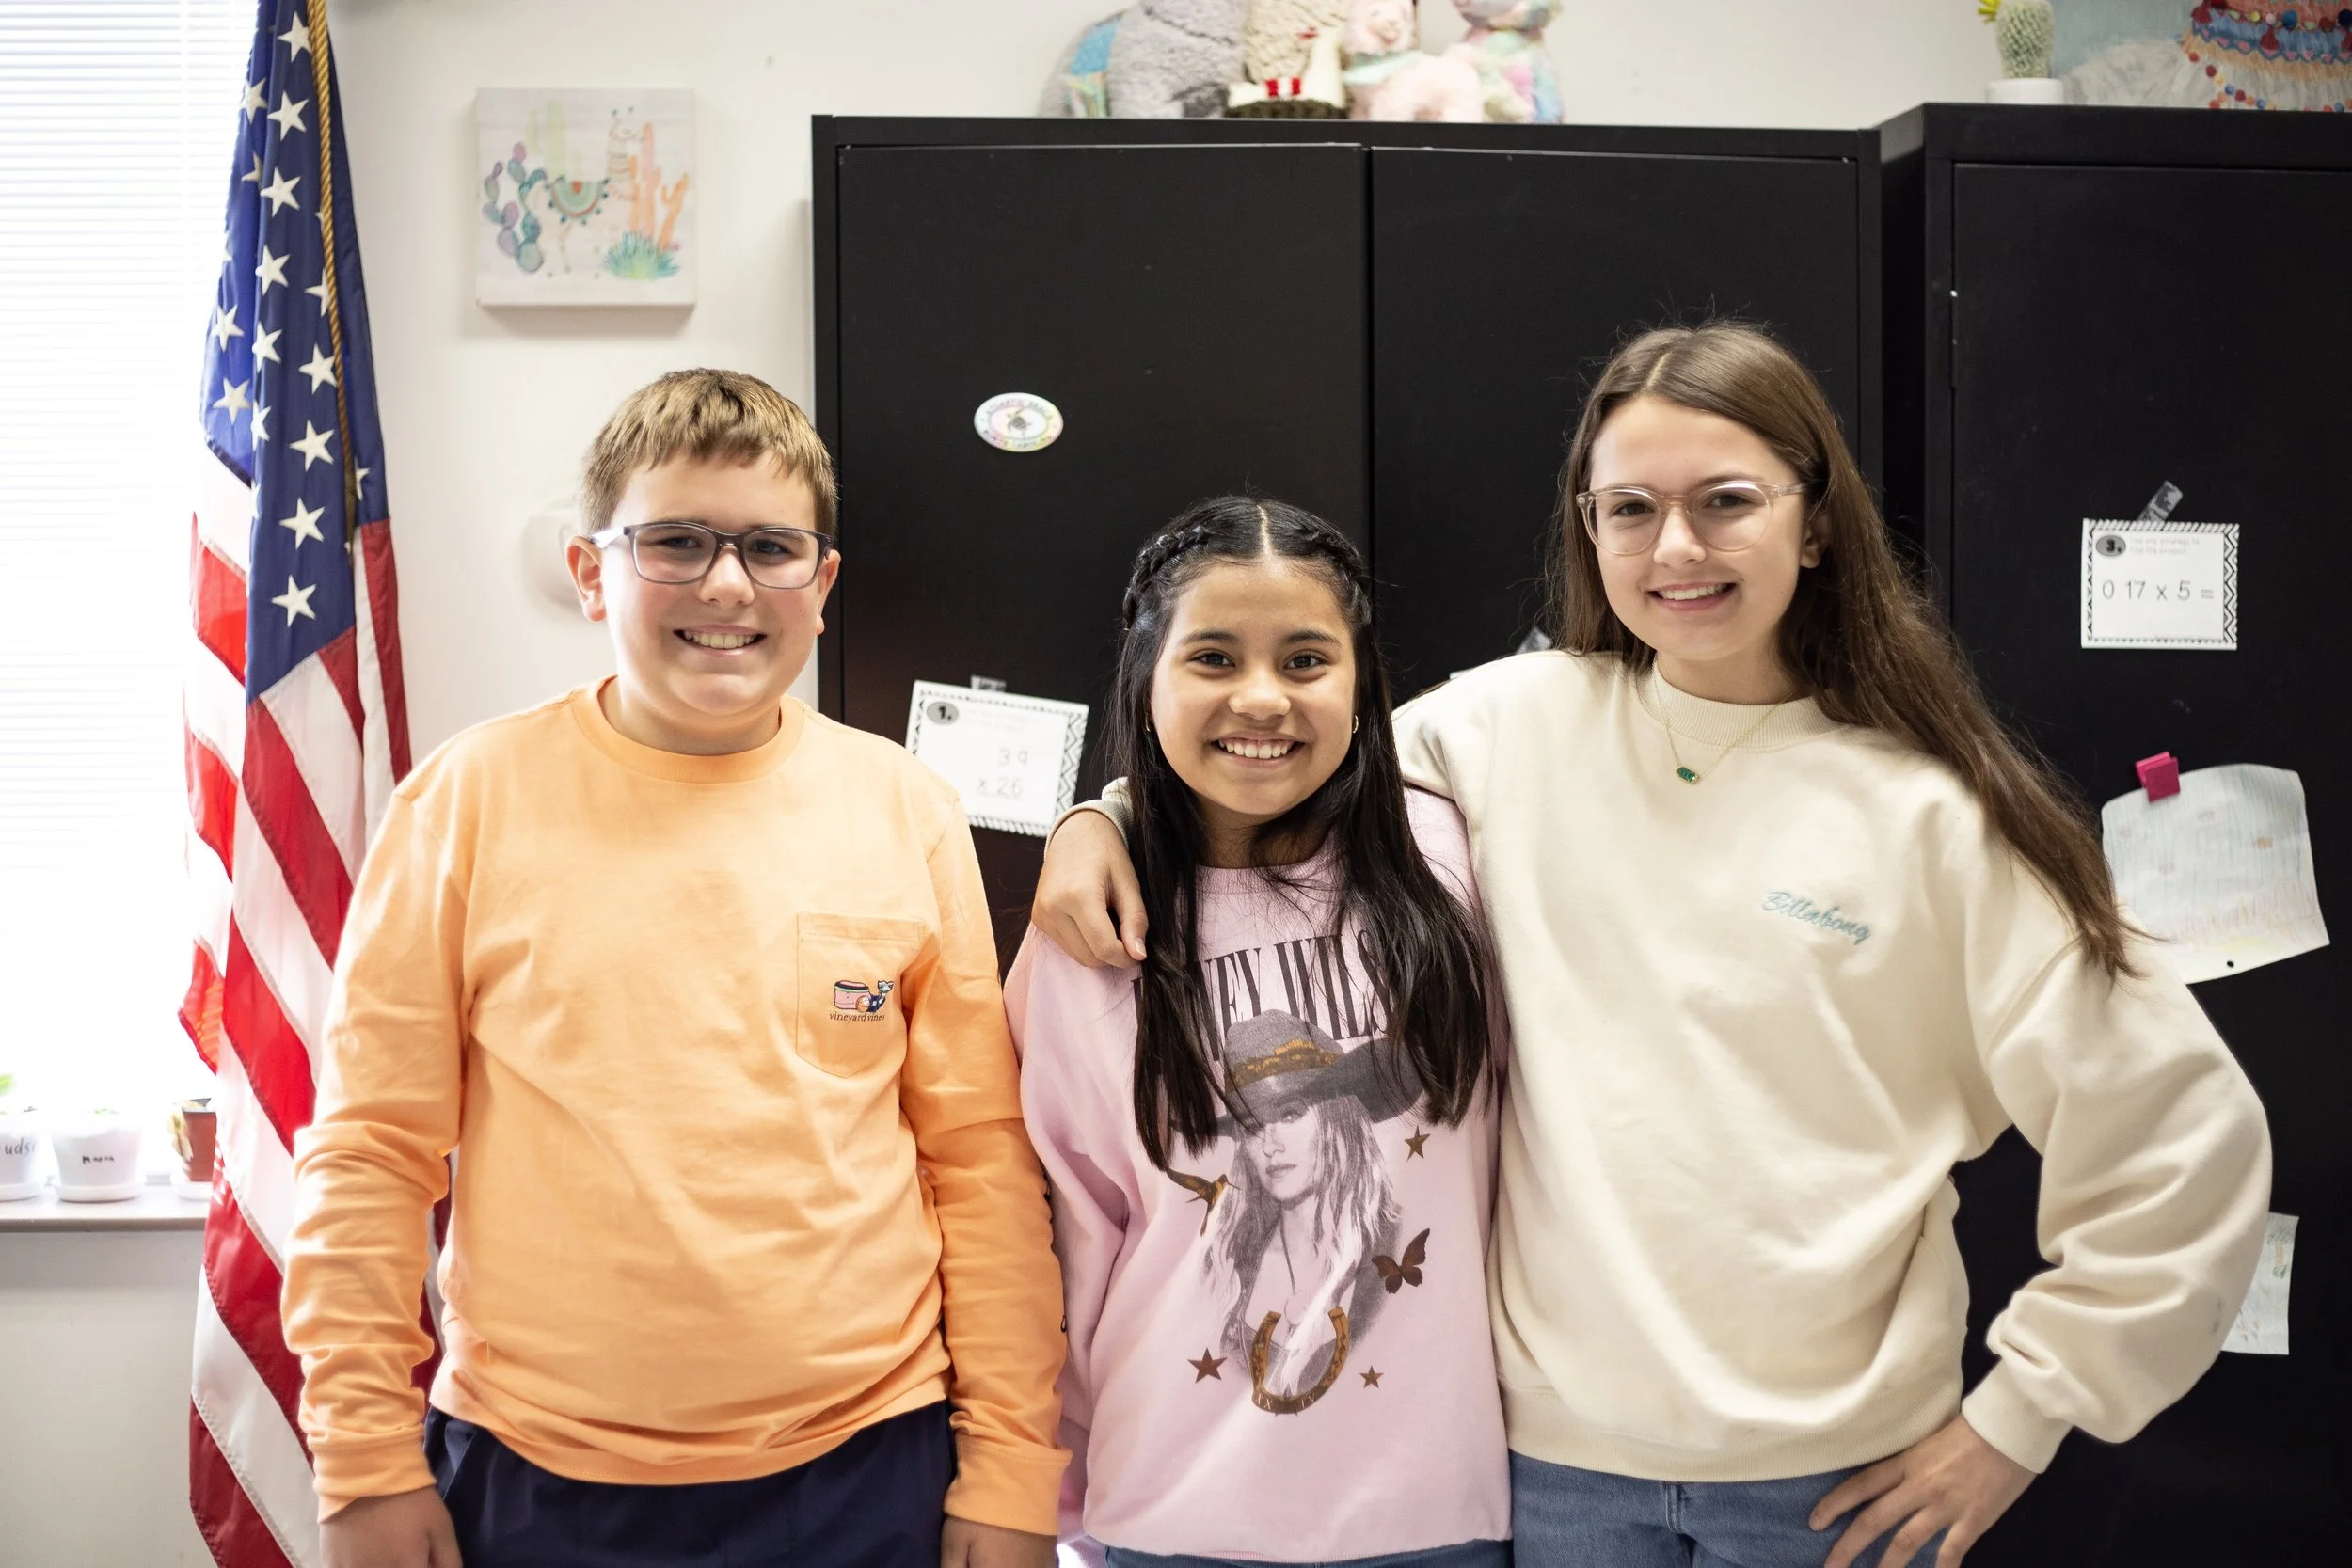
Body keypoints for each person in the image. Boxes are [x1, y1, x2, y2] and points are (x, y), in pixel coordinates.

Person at [1031, 326, 2273, 1568]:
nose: (1675, 547)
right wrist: (1105, 815)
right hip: (1549, 1480)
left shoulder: (1937, 817)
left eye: (1725, 501)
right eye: (1630, 507)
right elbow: (1277, 750)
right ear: (1589, 528)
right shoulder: (1515, 726)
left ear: (1817, 521)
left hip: (1832, 1490)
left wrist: (2021, 1414)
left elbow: (2184, 1139)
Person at [282, 369, 1067, 1568]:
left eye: (769, 546)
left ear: (822, 584)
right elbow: (371, 1151)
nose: (725, 583)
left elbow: (979, 1165)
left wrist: (1010, 1470)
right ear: (592, 571)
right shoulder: (466, 801)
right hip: (533, 1476)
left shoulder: (905, 805)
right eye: (675, 542)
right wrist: (363, 1459)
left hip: (870, 1468)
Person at [1008, 498, 1511, 1566]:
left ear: (1362, 682)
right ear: (1145, 678)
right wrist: (1052, 1500)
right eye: (1213, 657)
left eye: (1304, 657)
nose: (1260, 697)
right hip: (1171, 1515)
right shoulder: (1089, 929)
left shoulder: (1454, 851)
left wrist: (1097, 809)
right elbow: (1064, 1241)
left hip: (1440, 1517)